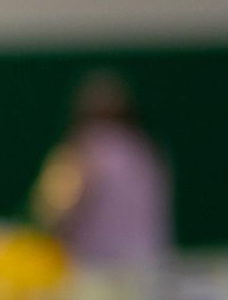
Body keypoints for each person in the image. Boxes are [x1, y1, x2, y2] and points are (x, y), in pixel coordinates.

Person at [33, 72, 170, 268]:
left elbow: (54, 213)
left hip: (96, 273)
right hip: (148, 265)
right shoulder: (148, 150)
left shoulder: (85, 152)